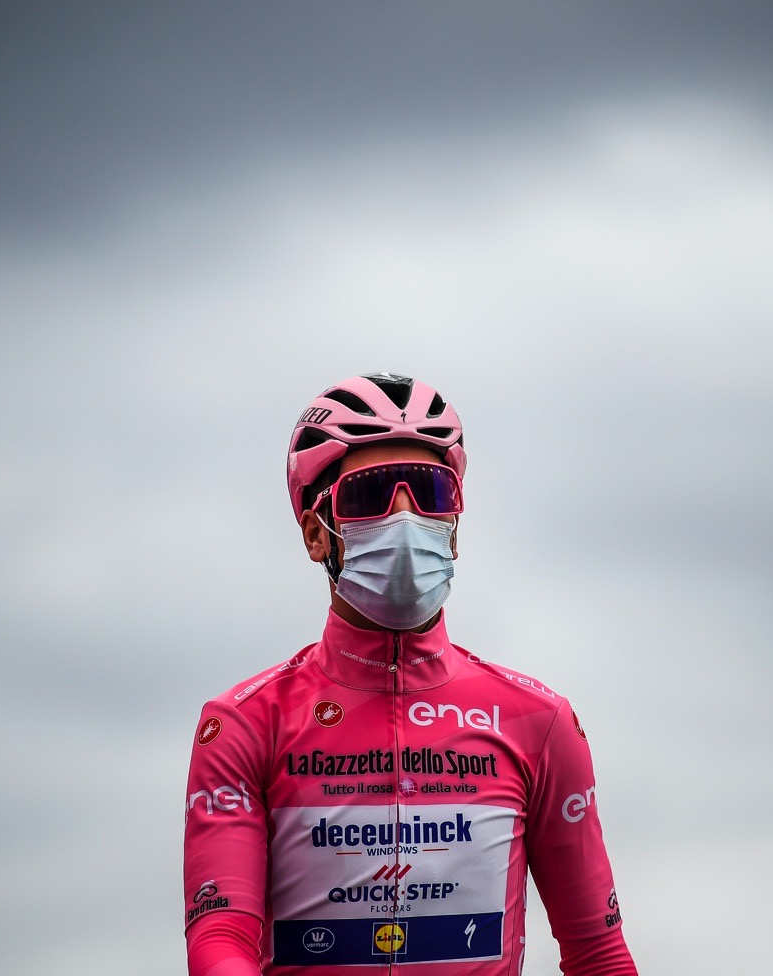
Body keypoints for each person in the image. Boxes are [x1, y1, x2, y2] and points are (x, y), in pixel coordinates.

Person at [183, 373, 638, 974]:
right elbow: (220, 941)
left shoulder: (540, 721)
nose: (405, 516)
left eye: (430, 490)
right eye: (370, 494)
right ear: (317, 533)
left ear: (455, 523)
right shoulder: (243, 724)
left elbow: (599, 954)